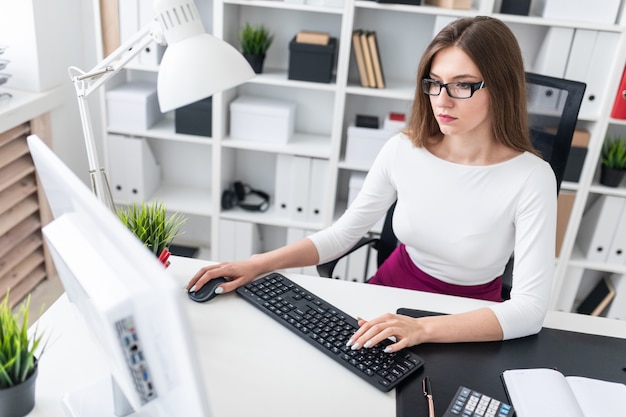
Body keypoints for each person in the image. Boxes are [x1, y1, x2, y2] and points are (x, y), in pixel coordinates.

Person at [187, 16, 556, 352]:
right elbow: (343, 235)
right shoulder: (404, 149)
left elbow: (529, 309)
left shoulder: (530, 178)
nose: (442, 101)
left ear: (502, 86)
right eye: (435, 83)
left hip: (467, 319)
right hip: (386, 296)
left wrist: (424, 329)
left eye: (462, 86)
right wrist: (258, 263)